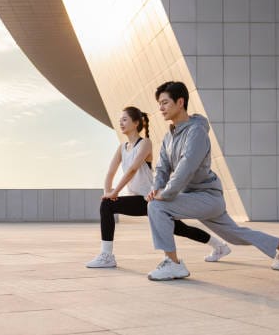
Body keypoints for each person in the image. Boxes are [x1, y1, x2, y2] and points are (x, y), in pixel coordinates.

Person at [146, 81, 279, 281]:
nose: (161, 108)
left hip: (206, 197)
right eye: (159, 104)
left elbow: (186, 167)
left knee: (157, 208)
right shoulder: (169, 137)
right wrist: (156, 189)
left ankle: (173, 264)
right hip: (194, 197)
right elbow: (162, 168)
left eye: (165, 103)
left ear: (180, 102)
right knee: (235, 236)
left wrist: (166, 194)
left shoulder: (195, 132)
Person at [86, 106, 230, 268]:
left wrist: (115, 192)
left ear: (136, 123)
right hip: (137, 198)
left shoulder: (145, 143)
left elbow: (133, 169)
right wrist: (108, 192)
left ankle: (107, 256)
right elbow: (110, 172)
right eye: (120, 120)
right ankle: (220, 245)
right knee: (181, 229)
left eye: (125, 119)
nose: (121, 123)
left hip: (149, 198)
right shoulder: (122, 148)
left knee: (108, 206)